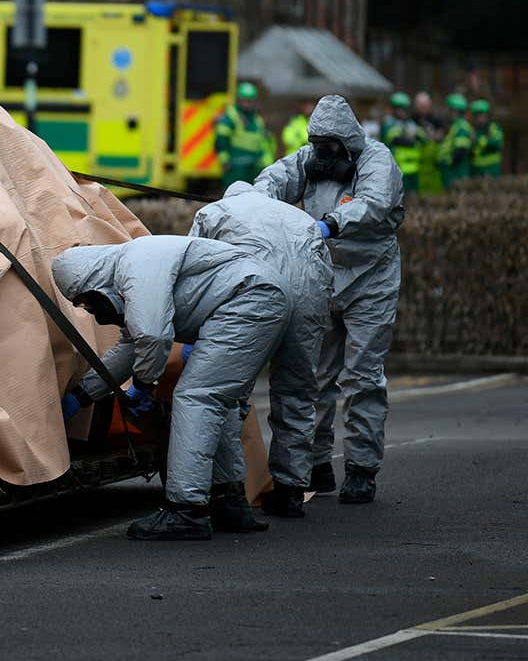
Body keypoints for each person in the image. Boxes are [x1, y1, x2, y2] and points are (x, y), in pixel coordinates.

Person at [53, 235, 289, 539]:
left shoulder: (135, 265)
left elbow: (153, 337)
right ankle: (228, 501)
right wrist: (82, 395)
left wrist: (142, 385)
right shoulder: (131, 275)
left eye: (88, 303)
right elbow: (130, 347)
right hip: (255, 296)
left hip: (249, 299)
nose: (93, 313)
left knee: (195, 398)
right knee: (218, 402)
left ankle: (186, 511)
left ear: (93, 282)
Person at [253, 94, 404, 504]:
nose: (321, 156)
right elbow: (272, 179)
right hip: (322, 275)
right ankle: (316, 464)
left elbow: (373, 205)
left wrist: (330, 223)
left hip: (371, 277)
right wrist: (254, 205)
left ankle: (361, 468)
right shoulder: (309, 159)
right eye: (317, 146)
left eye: (329, 147)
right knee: (315, 375)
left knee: (362, 376)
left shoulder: (376, 160)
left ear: (348, 143)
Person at [189, 182, 333, 518]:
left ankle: (234, 491)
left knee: (231, 392)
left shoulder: (213, 212)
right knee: (297, 391)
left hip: (257, 290)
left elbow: (196, 268)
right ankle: (291, 490)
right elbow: (325, 268)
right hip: (309, 292)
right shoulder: (298, 217)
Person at [215, 82, 270, 188]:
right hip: (235, 167)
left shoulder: (256, 119)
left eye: (250, 101)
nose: (247, 104)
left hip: (253, 166)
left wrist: (263, 161)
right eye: (244, 101)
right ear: (238, 100)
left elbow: (261, 142)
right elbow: (221, 140)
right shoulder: (230, 117)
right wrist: (224, 160)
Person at [381, 92, 427, 194]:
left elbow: (423, 138)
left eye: (404, 108)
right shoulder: (389, 123)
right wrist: (411, 138)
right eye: (399, 108)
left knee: (413, 197)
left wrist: (412, 136)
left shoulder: (410, 123)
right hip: (397, 169)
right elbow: (396, 139)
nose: (402, 112)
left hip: (413, 168)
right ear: (393, 109)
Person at [412, 91, 445, 194]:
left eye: (425, 106)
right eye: (420, 106)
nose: (423, 108)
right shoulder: (412, 120)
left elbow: (440, 136)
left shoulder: (436, 119)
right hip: (418, 162)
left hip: (434, 163)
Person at [438, 93, 473, 188]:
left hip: (456, 172)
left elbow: (461, 150)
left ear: (455, 111)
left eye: (449, 109)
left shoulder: (461, 126)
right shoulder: (456, 125)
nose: (447, 112)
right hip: (452, 171)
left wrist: (448, 162)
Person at [469, 99, 504, 177]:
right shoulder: (473, 130)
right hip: (476, 171)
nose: (478, 118)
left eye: (480, 115)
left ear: (487, 115)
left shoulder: (493, 128)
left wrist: (478, 140)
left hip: (492, 170)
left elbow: (498, 143)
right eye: (476, 115)